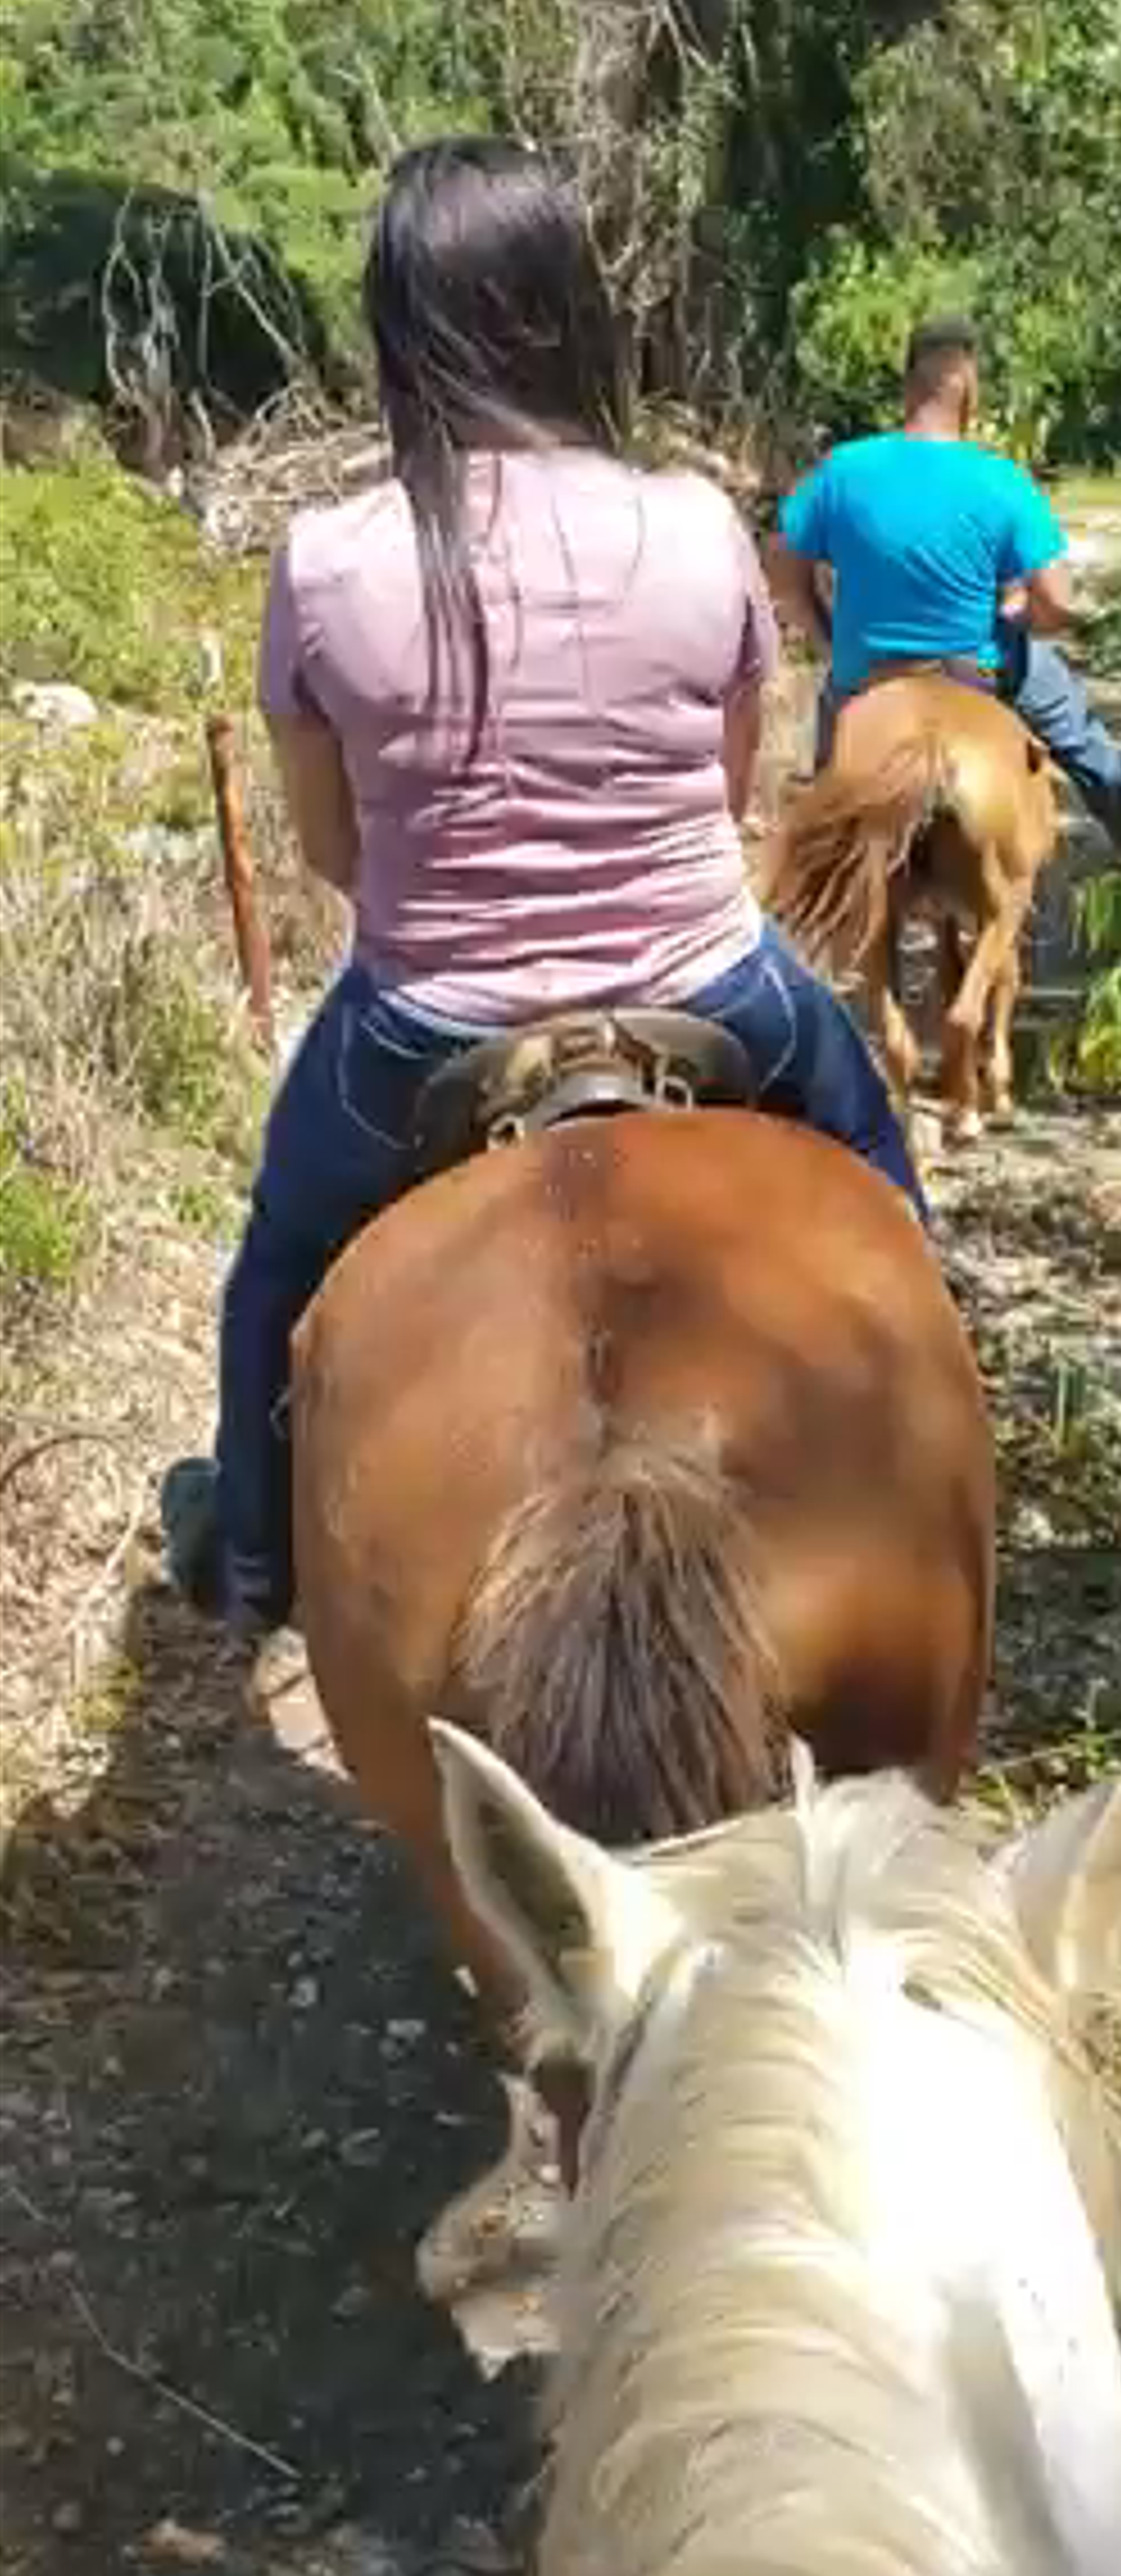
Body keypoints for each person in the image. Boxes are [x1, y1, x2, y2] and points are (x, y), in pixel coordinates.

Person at [162, 134, 922, 1644]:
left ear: (402, 333)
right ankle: (936, 1456)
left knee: (275, 1268)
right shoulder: (698, 522)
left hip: (427, 1022)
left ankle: (250, 1552)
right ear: (578, 314)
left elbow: (330, 854)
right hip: (709, 985)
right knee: (882, 1183)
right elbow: (721, 794)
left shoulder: (325, 560)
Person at [771, 318, 1121, 863]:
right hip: (972, 669)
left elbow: (783, 574)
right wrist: (1022, 614)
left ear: (908, 387)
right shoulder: (1003, 480)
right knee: (1078, 732)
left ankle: (815, 875)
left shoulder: (841, 471)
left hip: (865, 677)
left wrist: (829, 641)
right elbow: (1059, 603)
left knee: (824, 800)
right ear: (969, 391)